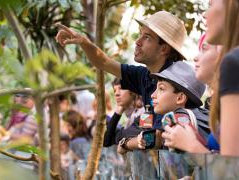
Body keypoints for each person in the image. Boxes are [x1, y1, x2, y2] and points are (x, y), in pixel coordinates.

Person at [56, 11, 188, 129]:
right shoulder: (145, 76)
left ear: (164, 49)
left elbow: (159, 137)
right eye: (140, 34)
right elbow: (104, 62)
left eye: (147, 37)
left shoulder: (174, 85)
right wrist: (83, 42)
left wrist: (128, 142)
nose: (137, 41)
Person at [117, 61, 209, 153]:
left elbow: (152, 138)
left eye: (161, 89)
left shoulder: (178, 118)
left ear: (180, 98)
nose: (153, 95)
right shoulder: (202, 115)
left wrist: (125, 144)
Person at [205, 0, 239, 156]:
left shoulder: (233, 62)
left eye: (211, 4)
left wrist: (192, 147)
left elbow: (232, 165)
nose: (205, 14)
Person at [103, 78, 144, 147]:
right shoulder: (130, 116)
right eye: (114, 90)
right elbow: (106, 141)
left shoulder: (143, 112)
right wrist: (117, 113)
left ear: (133, 90)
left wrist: (119, 135)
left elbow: (122, 136)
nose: (116, 93)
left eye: (121, 88)